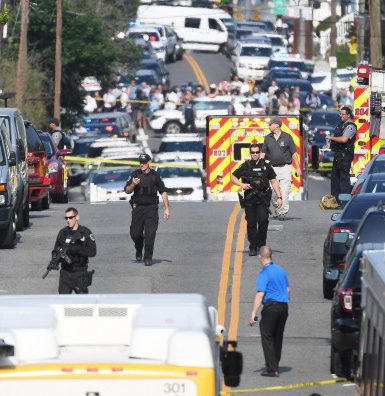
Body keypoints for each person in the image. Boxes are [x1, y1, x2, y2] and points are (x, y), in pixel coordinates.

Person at [231, 144, 283, 256]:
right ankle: (253, 246)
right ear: (250, 153)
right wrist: (242, 184)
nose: (255, 154)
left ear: (260, 153)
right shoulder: (246, 166)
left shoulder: (266, 166)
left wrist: (279, 197)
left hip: (262, 198)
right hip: (250, 199)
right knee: (251, 223)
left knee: (263, 221)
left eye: (256, 152)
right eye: (252, 152)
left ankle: (261, 244)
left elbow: (273, 181)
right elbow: (233, 177)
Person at [249, 246, 290, 377]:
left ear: (260, 257)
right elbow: (288, 289)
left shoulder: (264, 273)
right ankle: (275, 364)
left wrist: (253, 313)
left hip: (271, 308)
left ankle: (272, 369)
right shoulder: (281, 271)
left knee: (267, 336)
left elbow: (260, 294)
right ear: (271, 256)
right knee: (278, 336)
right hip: (283, 307)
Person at [124, 154, 170, 266]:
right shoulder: (135, 174)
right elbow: (127, 191)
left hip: (151, 209)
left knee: (150, 234)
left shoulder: (155, 175)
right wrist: (133, 184)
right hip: (138, 208)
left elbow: (163, 192)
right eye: (140, 162)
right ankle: (139, 248)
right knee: (135, 233)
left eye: (144, 162)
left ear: (149, 162)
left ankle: (148, 257)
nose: (142, 164)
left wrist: (167, 208)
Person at [47, 207, 96, 294]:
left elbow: (93, 252)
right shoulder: (63, 233)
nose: (68, 220)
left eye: (71, 217)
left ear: (77, 217)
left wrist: (77, 249)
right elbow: (55, 250)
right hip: (65, 273)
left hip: (80, 272)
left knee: (82, 304)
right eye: (66, 218)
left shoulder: (85, 232)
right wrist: (55, 260)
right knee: (63, 303)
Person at [261, 117, 302, 220]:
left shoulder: (287, 137)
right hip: (272, 168)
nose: (269, 125)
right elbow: (263, 153)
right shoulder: (267, 138)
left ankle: (282, 212)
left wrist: (298, 167)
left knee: (284, 190)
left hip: (285, 168)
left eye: (270, 124)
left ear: (277, 125)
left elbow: (294, 153)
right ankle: (277, 208)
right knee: (274, 192)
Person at [326, 106, 356, 201]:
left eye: (343, 114)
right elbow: (337, 139)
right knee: (335, 178)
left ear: (348, 115)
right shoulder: (341, 125)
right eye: (340, 114)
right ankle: (335, 200)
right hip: (338, 155)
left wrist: (331, 138)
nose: (341, 116)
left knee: (344, 180)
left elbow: (344, 139)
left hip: (345, 156)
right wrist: (328, 146)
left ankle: (345, 202)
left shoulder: (350, 126)